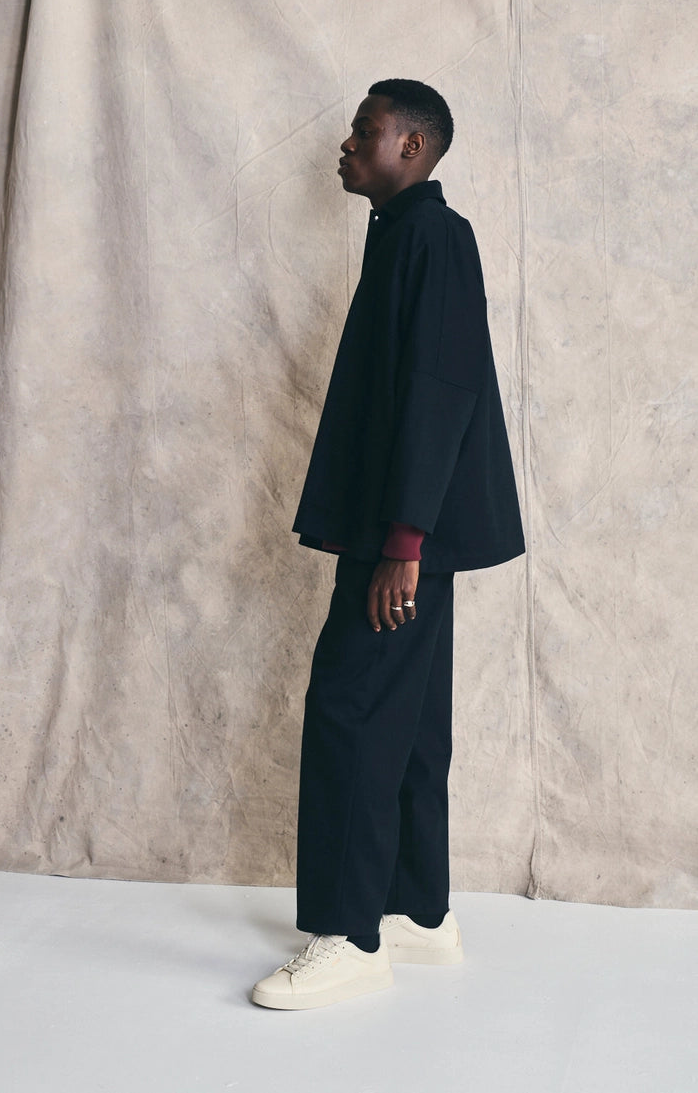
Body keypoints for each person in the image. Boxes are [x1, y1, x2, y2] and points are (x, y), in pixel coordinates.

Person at [251, 79, 525, 1010]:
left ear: (411, 147)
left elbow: (443, 388)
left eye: (364, 131)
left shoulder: (435, 238)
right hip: (403, 527)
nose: (345, 144)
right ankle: (415, 915)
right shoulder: (404, 235)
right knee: (405, 722)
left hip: (407, 534)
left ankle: (349, 933)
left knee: (350, 710)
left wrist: (405, 539)